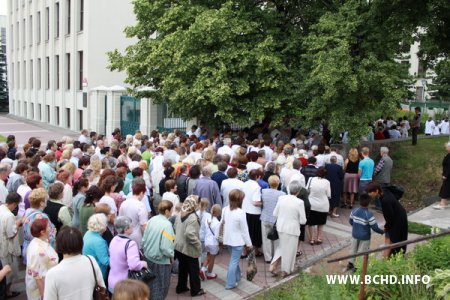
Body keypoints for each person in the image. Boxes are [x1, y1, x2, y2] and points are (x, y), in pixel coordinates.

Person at [44, 226, 106, 300]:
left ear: (59, 244)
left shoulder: (52, 274)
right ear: (81, 243)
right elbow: (102, 287)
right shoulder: (90, 260)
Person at [269, 181, 306, 277]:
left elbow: (275, 213)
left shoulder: (281, 198)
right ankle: (286, 270)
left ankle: (273, 265)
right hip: (292, 229)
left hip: (281, 227)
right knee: (290, 250)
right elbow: (303, 221)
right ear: (298, 191)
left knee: (281, 247)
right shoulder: (299, 202)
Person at [142, 200, 176, 300]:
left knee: (150, 285)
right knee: (161, 288)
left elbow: (144, 239)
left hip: (148, 257)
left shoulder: (152, 220)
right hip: (161, 261)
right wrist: (171, 255)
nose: (172, 212)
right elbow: (166, 247)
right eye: (171, 210)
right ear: (166, 211)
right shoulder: (167, 225)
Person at [365, 182, 408, 256]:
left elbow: (390, 218)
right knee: (392, 237)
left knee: (396, 239)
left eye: (370, 192)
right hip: (398, 214)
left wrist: (386, 227)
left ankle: (396, 257)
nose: (369, 194)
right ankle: (390, 255)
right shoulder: (383, 190)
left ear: (376, 191)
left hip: (398, 218)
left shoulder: (385, 201)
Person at [174, 195, 205, 297]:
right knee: (193, 270)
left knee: (182, 267)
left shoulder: (180, 213)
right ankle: (195, 290)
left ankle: (181, 287)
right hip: (189, 248)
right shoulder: (193, 217)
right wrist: (198, 244)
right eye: (198, 202)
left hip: (178, 246)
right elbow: (189, 234)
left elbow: (175, 227)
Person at [222, 189, 252, 289]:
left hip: (227, 239)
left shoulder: (225, 209)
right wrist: (249, 244)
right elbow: (245, 230)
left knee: (234, 260)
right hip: (237, 241)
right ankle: (230, 283)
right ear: (240, 200)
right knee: (233, 262)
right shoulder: (241, 213)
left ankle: (238, 276)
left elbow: (223, 222)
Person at [108, 216, 148, 293]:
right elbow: (134, 265)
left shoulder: (114, 239)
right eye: (131, 225)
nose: (133, 226)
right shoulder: (130, 244)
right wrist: (143, 264)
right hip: (124, 285)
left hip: (112, 282)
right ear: (126, 229)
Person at [346, 194, 384, 272]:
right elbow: (375, 227)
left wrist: (356, 227)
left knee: (353, 249)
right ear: (369, 203)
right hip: (365, 237)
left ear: (359, 202)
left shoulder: (354, 211)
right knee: (362, 251)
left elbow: (350, 221)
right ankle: (357, 268)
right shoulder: (369, 214)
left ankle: (350, 264)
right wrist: (382, 232)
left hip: (355, 234)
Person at [26, 219, 59, 300]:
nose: (50, 228)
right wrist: (44, 296)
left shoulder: (38, 241)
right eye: (48, 227)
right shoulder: (39, 251)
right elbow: (38, 277)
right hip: (43, 289)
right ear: (42, 232)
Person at [22, 188, 57, 263]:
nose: (47, 201)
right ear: (41, 203)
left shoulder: (27, 212)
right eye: (46, 199)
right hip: (40, 250)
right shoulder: (42, 217)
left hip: (28, 248)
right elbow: (49, 235)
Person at [0, 193, 22, 298]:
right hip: (7, 247)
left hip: (1, 243)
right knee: (9, 271)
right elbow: (11, 234)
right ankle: (6, 292)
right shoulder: (9, 215)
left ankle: (5, 291)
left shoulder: (1, 208)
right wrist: (17, 224)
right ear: (13, 204)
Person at [260, 175, 285, 263]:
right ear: (278, 183)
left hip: (265, 217)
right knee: (276, 239)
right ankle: (275, 256)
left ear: (269, 183)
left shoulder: (263, 191)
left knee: (265, 238)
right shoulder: (282, 194)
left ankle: (267, 257)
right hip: (276, 219)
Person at [119, 178, 148, 248]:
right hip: (137, 236)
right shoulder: (141, 205)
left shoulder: (124, 203)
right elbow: (143, 225)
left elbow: (120, 219)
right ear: (141, 193)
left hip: (125, 234)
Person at [82, 213, 110, 281]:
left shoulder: (88, 233)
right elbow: (105, 261)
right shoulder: (99, 242)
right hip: (98, 273)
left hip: (88, 268)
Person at [242, 169, 263, 257]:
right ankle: (254, 251)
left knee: (245, 232)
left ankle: (244, 252)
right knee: (254, 234)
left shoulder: (245, 184)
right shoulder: (257, 187)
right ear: (257, 177)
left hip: (244, 210)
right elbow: (255, 202)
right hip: (254, 213)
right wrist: (262, 203)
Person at [307, 167, 331, 245]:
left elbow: (307, 189)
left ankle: (311, 239)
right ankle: (319, 238)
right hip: (323, 205)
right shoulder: (327, 182)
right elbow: (328, 195)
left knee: (311, 223)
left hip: (312, 204)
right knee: (321, 223)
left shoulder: (311, 179)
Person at [199, 204, 222, 280]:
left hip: (207, 241)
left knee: (208, 256)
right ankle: (209, 273)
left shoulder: (207, 220)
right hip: (213, 243)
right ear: (218, 213)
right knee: (212, 259)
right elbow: (216, 236)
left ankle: (202, 269)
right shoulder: (217, 223)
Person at [434, 142, 450, 209]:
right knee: (446, 188)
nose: (445, 148)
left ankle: (443, 203)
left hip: (448, 176)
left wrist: (445, 175)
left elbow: (449, 166)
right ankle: (445, 202)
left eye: (446, 146)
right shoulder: (448, 155)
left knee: (445, 188)